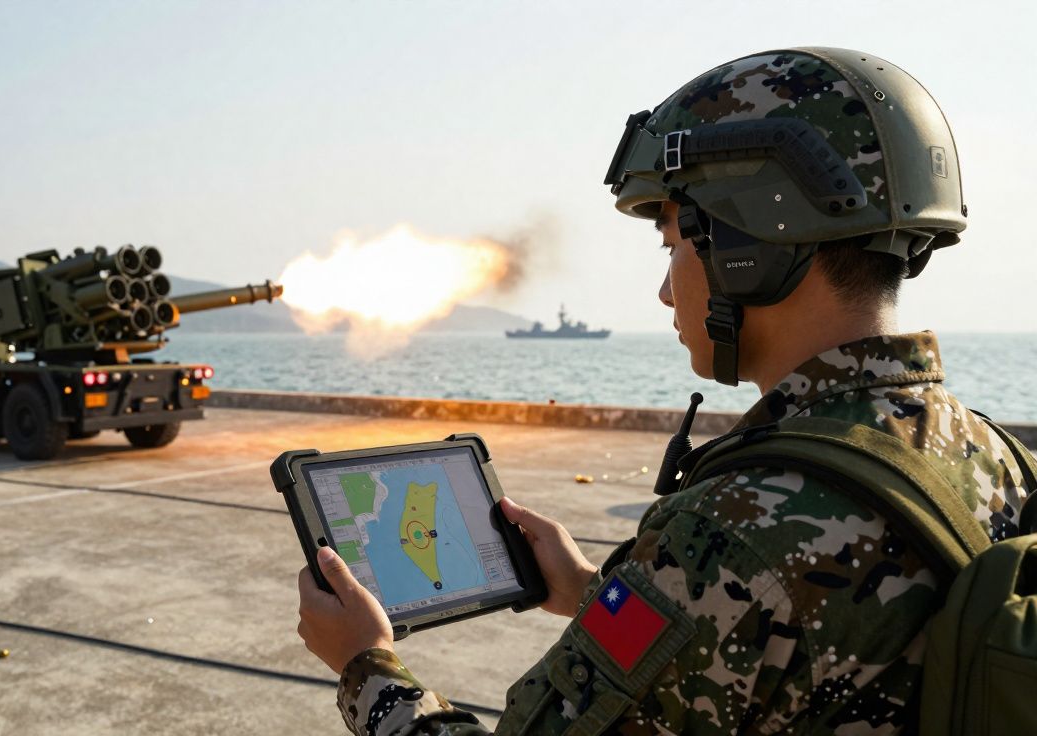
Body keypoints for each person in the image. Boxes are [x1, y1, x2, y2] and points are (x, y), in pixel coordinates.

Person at [296, 48, 1032, 735]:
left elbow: (745, 605)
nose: (662, 289)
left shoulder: (727, 539)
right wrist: (595, 593)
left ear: (748, 246)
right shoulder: (986, 453)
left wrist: (365, 663)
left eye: (673, 243)